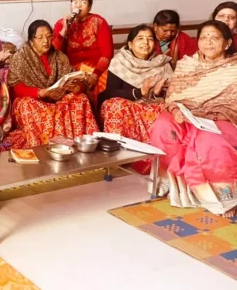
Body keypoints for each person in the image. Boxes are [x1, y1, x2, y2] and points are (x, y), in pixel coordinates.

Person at [149, 20, 237, 217]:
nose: (208, 42)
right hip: (187, 116)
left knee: (209, 139)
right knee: (163, 125)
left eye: (214, 38)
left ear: (228, 43)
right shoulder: (186, 65)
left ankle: (223, 197)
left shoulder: (234, 67)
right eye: (204, 37)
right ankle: (173, 185)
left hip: (224, 119)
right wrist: (175, 110)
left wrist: (216, 114)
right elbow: (172, 97)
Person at [8, 20, 98, 148]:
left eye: (49, 36)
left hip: (57, 98)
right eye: (40, 37)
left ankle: (79, 145)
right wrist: (41, 92)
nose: (46, 41)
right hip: (34, 99)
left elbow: (73, 76)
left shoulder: (58, 56)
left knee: (81, 99)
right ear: (31, 39)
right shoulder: (21, 57)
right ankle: (41, 148)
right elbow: (16, 86)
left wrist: (77, 87)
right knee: (26, 105)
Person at [98, 25, 173, 143]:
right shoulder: (120, 61)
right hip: (125, 109)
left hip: (149, 107)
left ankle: (151, 156)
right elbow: (110, 93)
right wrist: (140, 92)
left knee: (168, 110)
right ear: (130, 44)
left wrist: (157, 94)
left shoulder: (162, 64)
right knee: (114, 105)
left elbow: (171, 97)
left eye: (150, 39)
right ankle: (118, 151)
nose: (146, 42)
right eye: (140, 38)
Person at [52, 0, 113, 104]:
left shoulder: (99, 22)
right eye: (75, 2)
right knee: (69, 90)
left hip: (96, 69)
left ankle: (99, 116)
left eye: (83, 2)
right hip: (71, 70)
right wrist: (64, 31)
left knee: (103, 85)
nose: (78, 5)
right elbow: (54, 53)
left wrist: (95, 75)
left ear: (89, 6)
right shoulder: (61, 24)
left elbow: (107, 53)